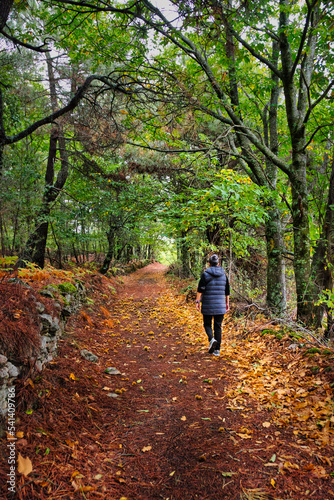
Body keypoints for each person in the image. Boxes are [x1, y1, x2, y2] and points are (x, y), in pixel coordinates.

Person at [196, 254, 230, 356]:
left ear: (209, 264)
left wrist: (197, 302)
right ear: (218, 264)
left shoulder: (205, 274)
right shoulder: (224, 275)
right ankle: (217, 350)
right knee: (218, 327)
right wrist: (227, 303)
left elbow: (200, 289)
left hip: (208, 304)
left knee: (207, 324)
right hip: (220, 305)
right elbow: (227, 291)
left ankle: (211, 339)